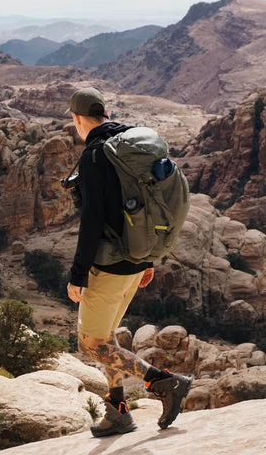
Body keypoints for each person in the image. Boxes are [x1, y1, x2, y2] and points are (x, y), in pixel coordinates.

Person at [66, 87, 192, 437]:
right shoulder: (129, 144)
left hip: (108, 267)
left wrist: (78, 275)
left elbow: (92, 220)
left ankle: (164, 382)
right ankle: (118, 413)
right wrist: (150, 257)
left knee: (92, 345)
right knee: (109, 339)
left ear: (78, 118)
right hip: (137, 261)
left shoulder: (95, 157)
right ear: (103, 112)